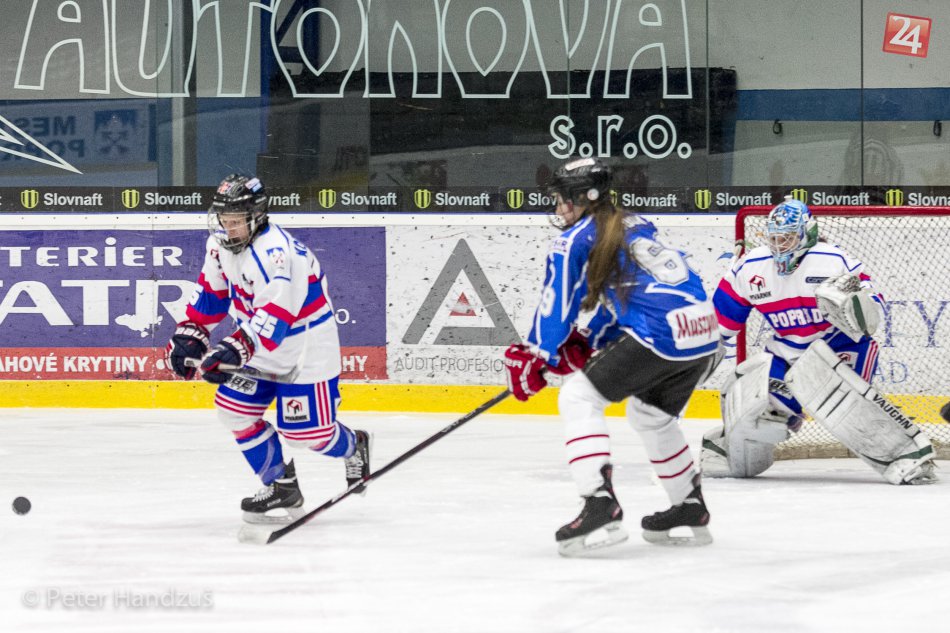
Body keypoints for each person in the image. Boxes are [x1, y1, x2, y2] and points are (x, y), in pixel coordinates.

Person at [503, 157, 719, 556]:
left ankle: (599, 503)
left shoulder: (576, 238)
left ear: (585, 197)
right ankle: (689, 505)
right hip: (703, 332)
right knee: (651, 416)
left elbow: (557, 304)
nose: (559, 208)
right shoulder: (632, 223)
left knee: (578, 397)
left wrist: (535, 354)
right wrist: (589, 340)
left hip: (661, 333)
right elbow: (631, 296)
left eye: (564, 199)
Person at [165, 174, 372, 523]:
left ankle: (354, 445)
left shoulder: (279, 255)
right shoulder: (220, 245)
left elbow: (276, 315)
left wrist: (234, 350)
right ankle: (281, 485)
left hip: (305, 348)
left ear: (256, 216)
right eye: (223, 219)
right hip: (258, 343)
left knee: (306, 435)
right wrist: (192, 333)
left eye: (235, 220)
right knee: (234, 412)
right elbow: (212, 294)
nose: (227, 227)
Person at [703, 197, 936, 485]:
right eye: (774, 238)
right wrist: (703, 350)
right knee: (762, 414)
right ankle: (731, 452)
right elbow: (721, 322)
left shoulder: (833, 260)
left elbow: (871, 311)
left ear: (806, 234)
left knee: (849, 406)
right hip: (785, 352)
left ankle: (908, 457)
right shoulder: (751, 267)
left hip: (838, 346)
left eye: (787, 238)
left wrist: (851, 303)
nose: (779, 246)